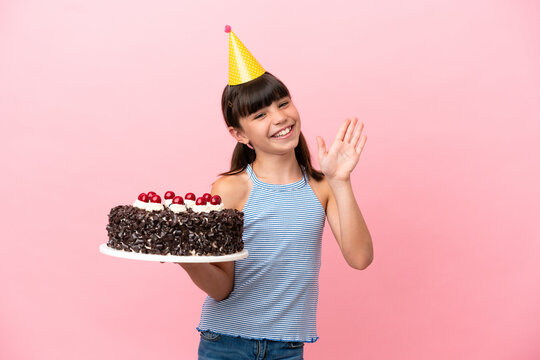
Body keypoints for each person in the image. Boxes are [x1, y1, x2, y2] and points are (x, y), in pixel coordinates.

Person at [179, 26, 373, 360]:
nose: (281, 117)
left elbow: (360, 259)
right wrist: (186, 259)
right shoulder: (231, 188)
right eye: (261, 114)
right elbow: (221, 288)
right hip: (225, 342)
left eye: (283, 103)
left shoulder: (322, 186)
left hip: (288, 346)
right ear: (239, 134)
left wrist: (341, 181)